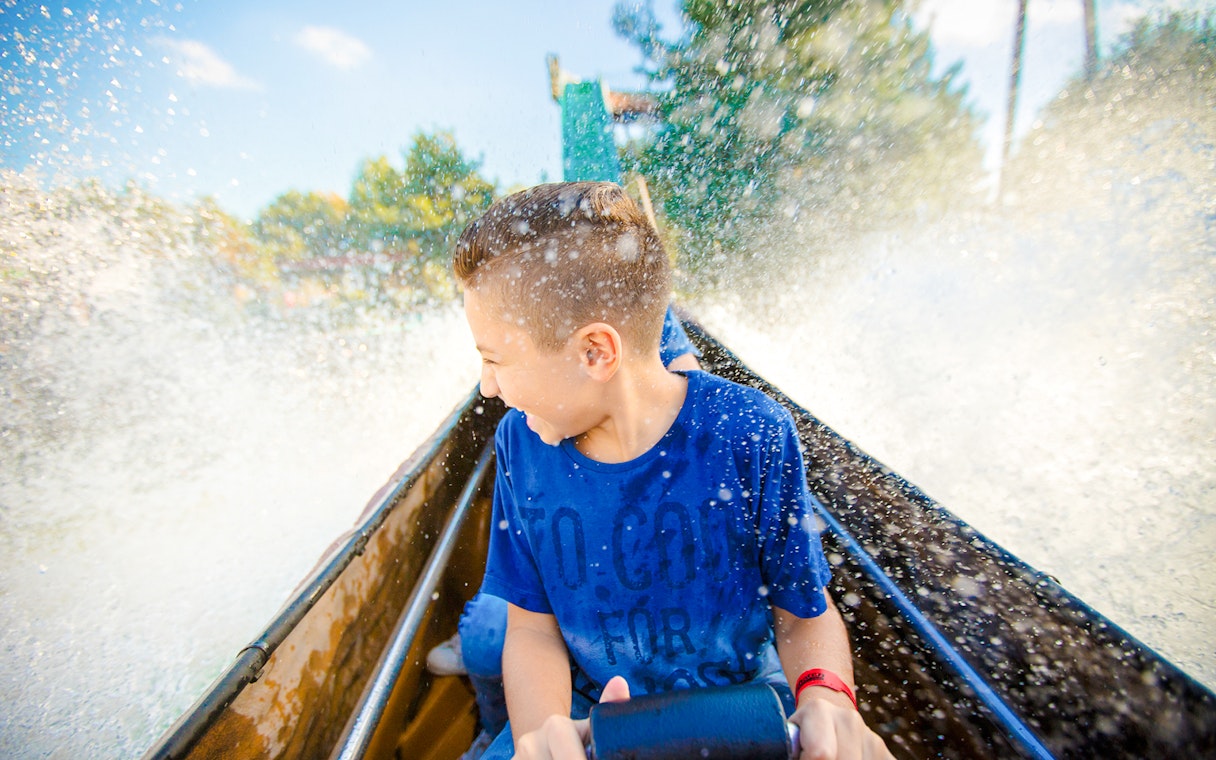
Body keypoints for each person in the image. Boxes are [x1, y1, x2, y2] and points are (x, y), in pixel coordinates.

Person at [450, 181, 892, 760]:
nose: (488, 387)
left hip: (744, 713)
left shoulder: (752, 432)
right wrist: (544, 733)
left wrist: (828, 698)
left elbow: (802, 612)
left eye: (494, 360)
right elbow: (532, 630)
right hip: (592, 720)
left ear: (595, 353)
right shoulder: (521, 447)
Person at [426, 305, 700, 744]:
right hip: (561, 518)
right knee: (483, 639)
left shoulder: (632, 303)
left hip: (634, 531)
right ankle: (497, 727)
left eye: (494, 363)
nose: (488, 387)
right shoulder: (521, 438)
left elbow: (688, 399)